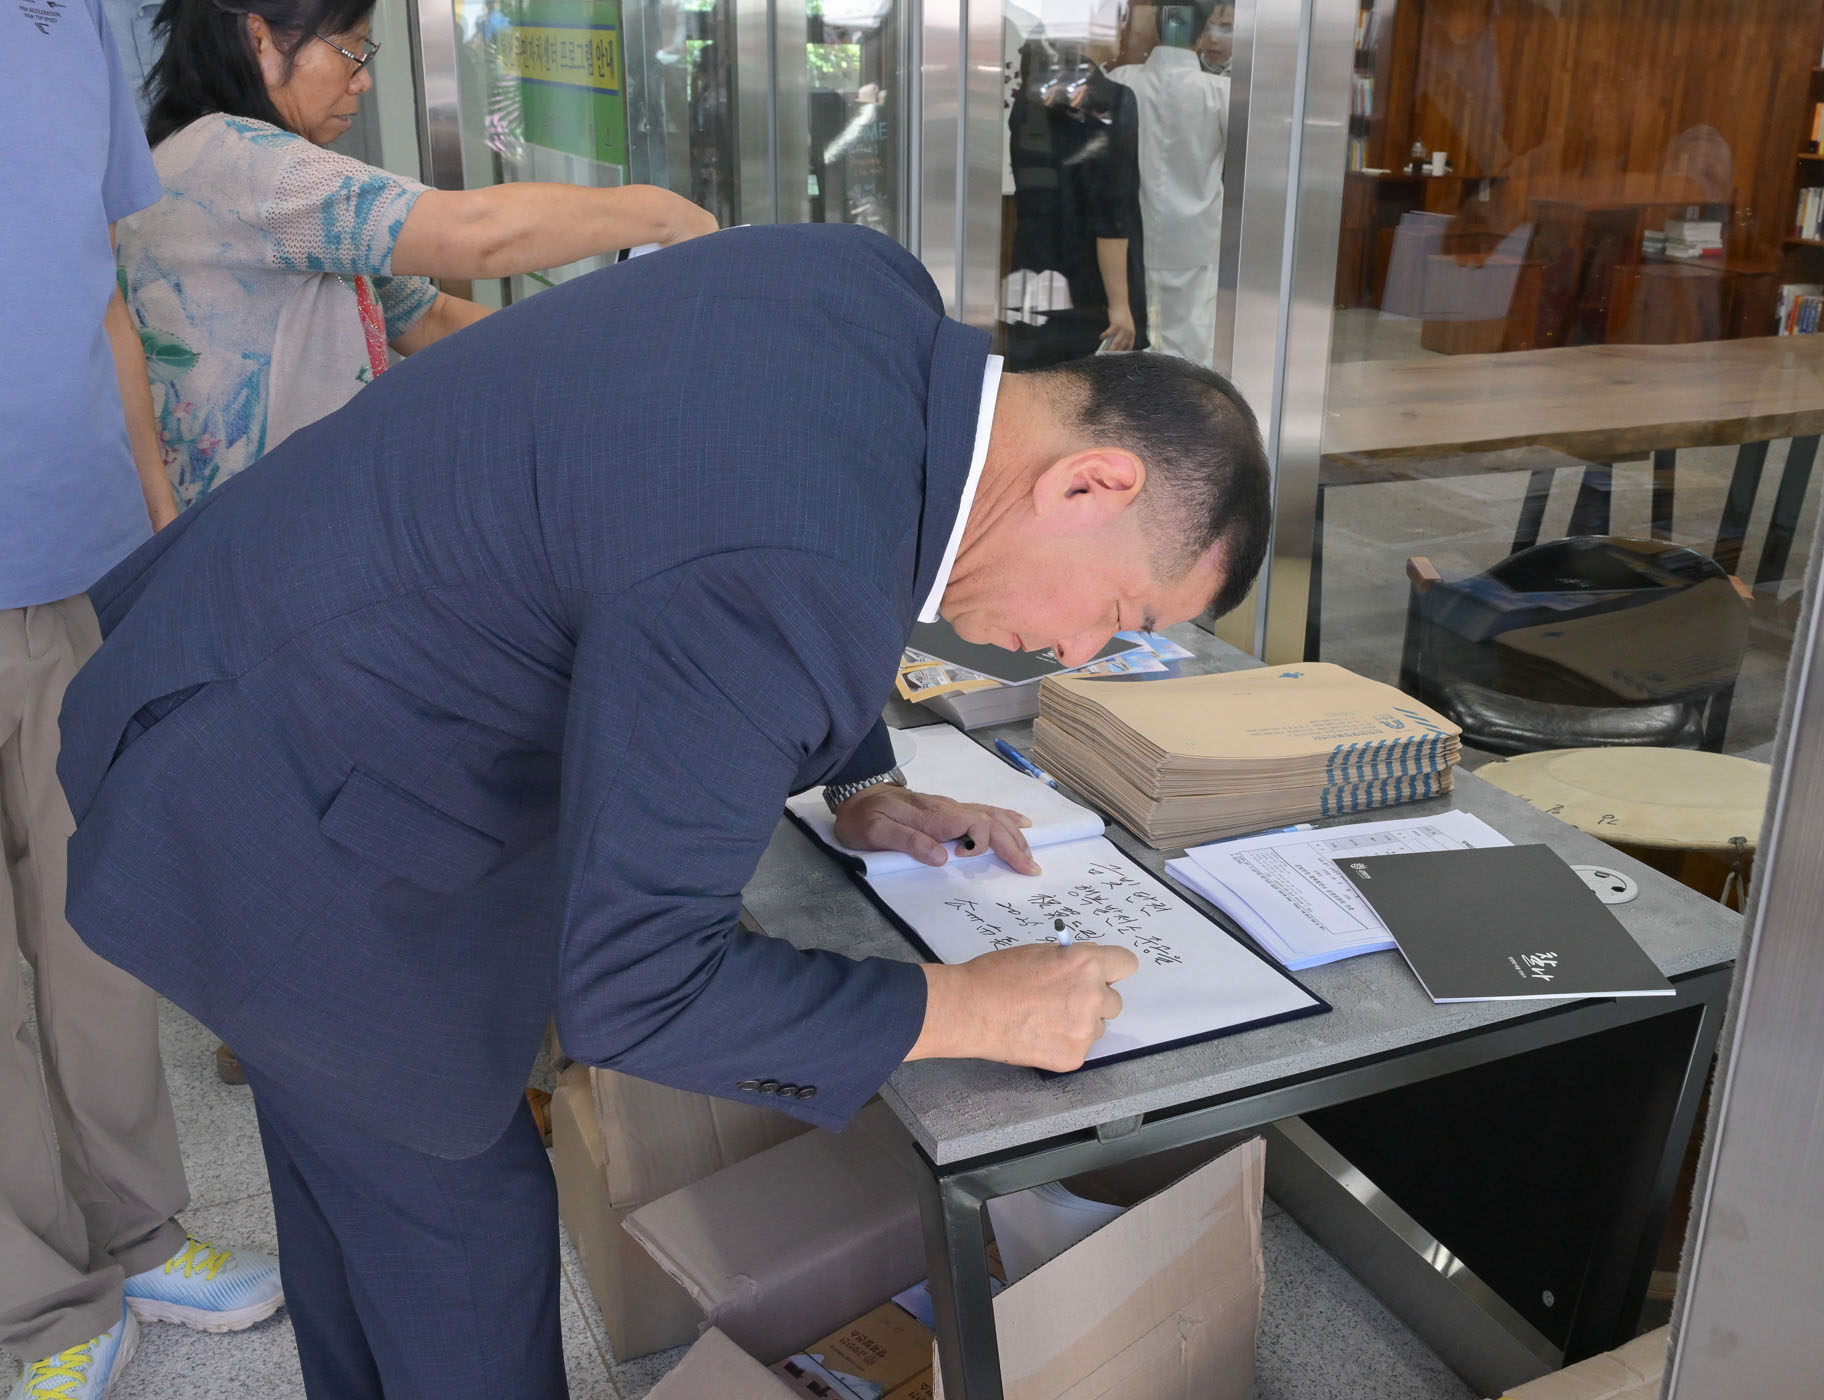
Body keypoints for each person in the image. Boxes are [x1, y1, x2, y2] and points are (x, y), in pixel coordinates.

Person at [56, 223, 1269, 1398]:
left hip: (239, 662)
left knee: (356, 1194)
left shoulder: (862, 291)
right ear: (1090, 482)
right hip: (286, 811)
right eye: (1121, 613)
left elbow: (751, 513)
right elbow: (638, 987)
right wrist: (969, 1005)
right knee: (461, 1245)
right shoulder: (792, 567)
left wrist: (861, 781)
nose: (1077, 651)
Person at [1, 4, 283, 1398]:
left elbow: (101, 289)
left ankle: (139, 1230)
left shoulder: (70, 26)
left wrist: (158, 539)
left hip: (74, 557)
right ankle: (33, 1300)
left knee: (93, 935)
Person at [119, 0, 719, 508]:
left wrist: (599, 361)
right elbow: (478, 233)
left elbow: (429, 318)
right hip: (256, 534)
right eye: (352, 50)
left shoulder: (207, 154)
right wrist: (660, 212)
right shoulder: (241, 161)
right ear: (261, 41)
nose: (362, 81)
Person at [1004, 40, 1149, 368]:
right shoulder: (1112, 98)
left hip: (1036, 269)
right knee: (1094, 388)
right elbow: (1111, 210)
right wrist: (1120, 304)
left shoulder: (1029, 101)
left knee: (1039, 380)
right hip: (1093, 288)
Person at [1111, 1, 1231, 367]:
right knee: (1192, 351)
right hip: (1197, 238)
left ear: (1157, 28)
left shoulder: (1121, 81)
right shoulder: (1220, 93)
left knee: (1130, 351)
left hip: (1129, 239)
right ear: (1201, 34)